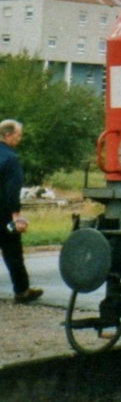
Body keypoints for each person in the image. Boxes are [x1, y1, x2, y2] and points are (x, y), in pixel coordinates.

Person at [0, 119, 42, 304]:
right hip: (3, 212)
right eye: (18, 135)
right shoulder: (11, 158)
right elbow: (12, 189)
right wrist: (16, 215)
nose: (20, 138)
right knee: (13, 252)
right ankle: (22, 291)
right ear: (7, 135)